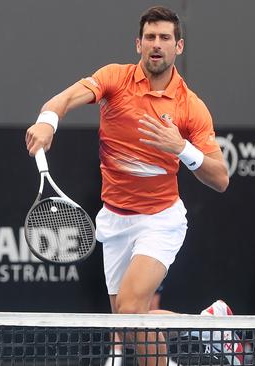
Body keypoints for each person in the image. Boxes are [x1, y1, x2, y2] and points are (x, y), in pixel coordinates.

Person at [25, 6, 229, 366]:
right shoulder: (114, 80)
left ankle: (205, 328)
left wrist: (182, 148)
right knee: (129, 327)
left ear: (178, 46)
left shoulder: (190, 107)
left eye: (165, 38)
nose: (156, 44)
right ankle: (205, 326)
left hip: (160, 220)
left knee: (134, 309)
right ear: (138, 43)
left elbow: (220, 178)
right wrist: (47, 123)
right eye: (150, 37)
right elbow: (66, 98)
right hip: (115, 220)